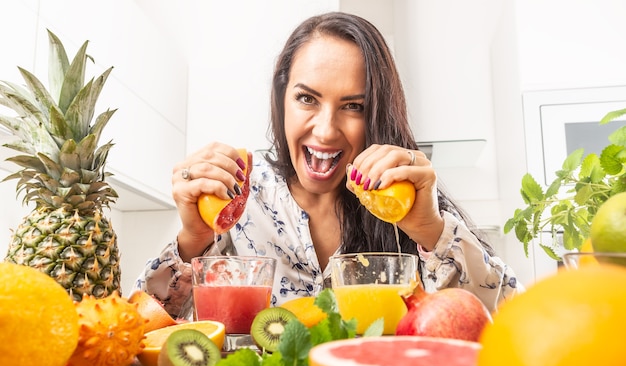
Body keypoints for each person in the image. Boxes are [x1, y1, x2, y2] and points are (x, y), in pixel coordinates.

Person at [134, 11, 522, 319]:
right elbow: (139, 327)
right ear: (282, 97)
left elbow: (507, 321)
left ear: (376, 115)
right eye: (307, 99)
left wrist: (431, 231)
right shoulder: (237, 196)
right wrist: (191, 239)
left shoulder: (407, 198)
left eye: (353, 106)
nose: (325, 130)